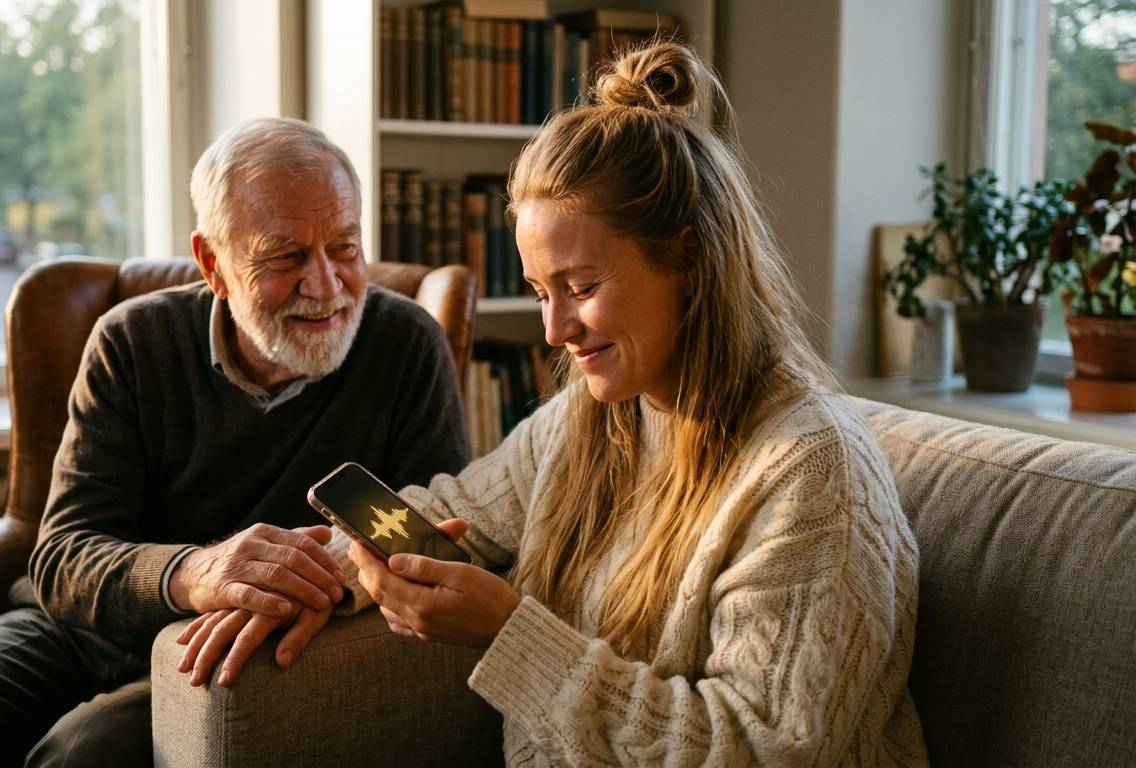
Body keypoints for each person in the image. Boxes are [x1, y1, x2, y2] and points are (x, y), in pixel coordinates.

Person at [184, 41, 929, 766]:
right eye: (542, 293)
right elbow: (453, 511)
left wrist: (511, 634)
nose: (554, 329)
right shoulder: (595, 417)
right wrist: (305, 577)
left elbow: (760, 749)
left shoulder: (811, 473)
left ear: (691, 259)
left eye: (580, 287)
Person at [0, 117, 470, 766]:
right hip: (88, 631)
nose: (326, 285)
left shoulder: (404, 346)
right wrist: (193, 571)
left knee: (85, 754)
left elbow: (426, 539)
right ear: (213, 264)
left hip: (240, 645)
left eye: (344, 246)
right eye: (285, 256)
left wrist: (321, 586)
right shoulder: (132, 342)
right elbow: (62, 556)